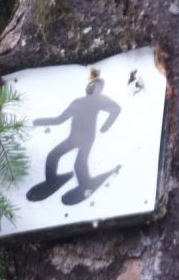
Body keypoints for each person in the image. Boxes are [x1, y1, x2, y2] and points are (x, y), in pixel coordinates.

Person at [26, 77, 122, 205]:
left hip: (86, 138)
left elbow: (116, 109)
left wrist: (106, 126)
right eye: (91, 85)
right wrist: (39, 121)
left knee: (78, 165)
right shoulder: (77, 102)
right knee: (53, 156)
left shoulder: (100, 101)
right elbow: (59, 120)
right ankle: (51, 181)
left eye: (96, 86)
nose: (92, 88)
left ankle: (85, 185)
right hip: (73, 137)